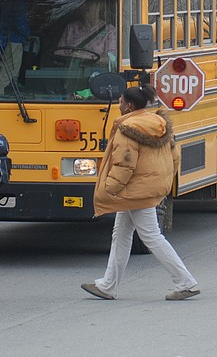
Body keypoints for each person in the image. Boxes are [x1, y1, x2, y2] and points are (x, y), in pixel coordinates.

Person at [81, 84, 200, 301]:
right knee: (121, 234)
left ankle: (186, 282)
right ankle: (108, 285)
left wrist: (109, 190)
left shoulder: (129, 129)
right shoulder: (158, 123)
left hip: (135, 191)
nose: (118, 104)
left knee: (152, 236)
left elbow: (124, 165)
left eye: (120, 101)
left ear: (128, 106)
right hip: (145, 188)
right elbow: (174, 158)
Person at [0, 0, 30, 95]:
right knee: (8, 76)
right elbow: (20, 24)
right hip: (12, 42)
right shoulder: (17, 3)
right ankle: (3, 101)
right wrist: (27, 35)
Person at [54, 0, 116, 65]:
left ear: (99, 6)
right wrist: (70, 57)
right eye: (82, 3)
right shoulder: (71, 27)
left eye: (89, 3)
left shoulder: (109, 30)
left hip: (95, 73)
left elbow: (112, 59)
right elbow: (58, 55)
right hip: (70, 72)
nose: (84, 6)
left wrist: (86, 58)